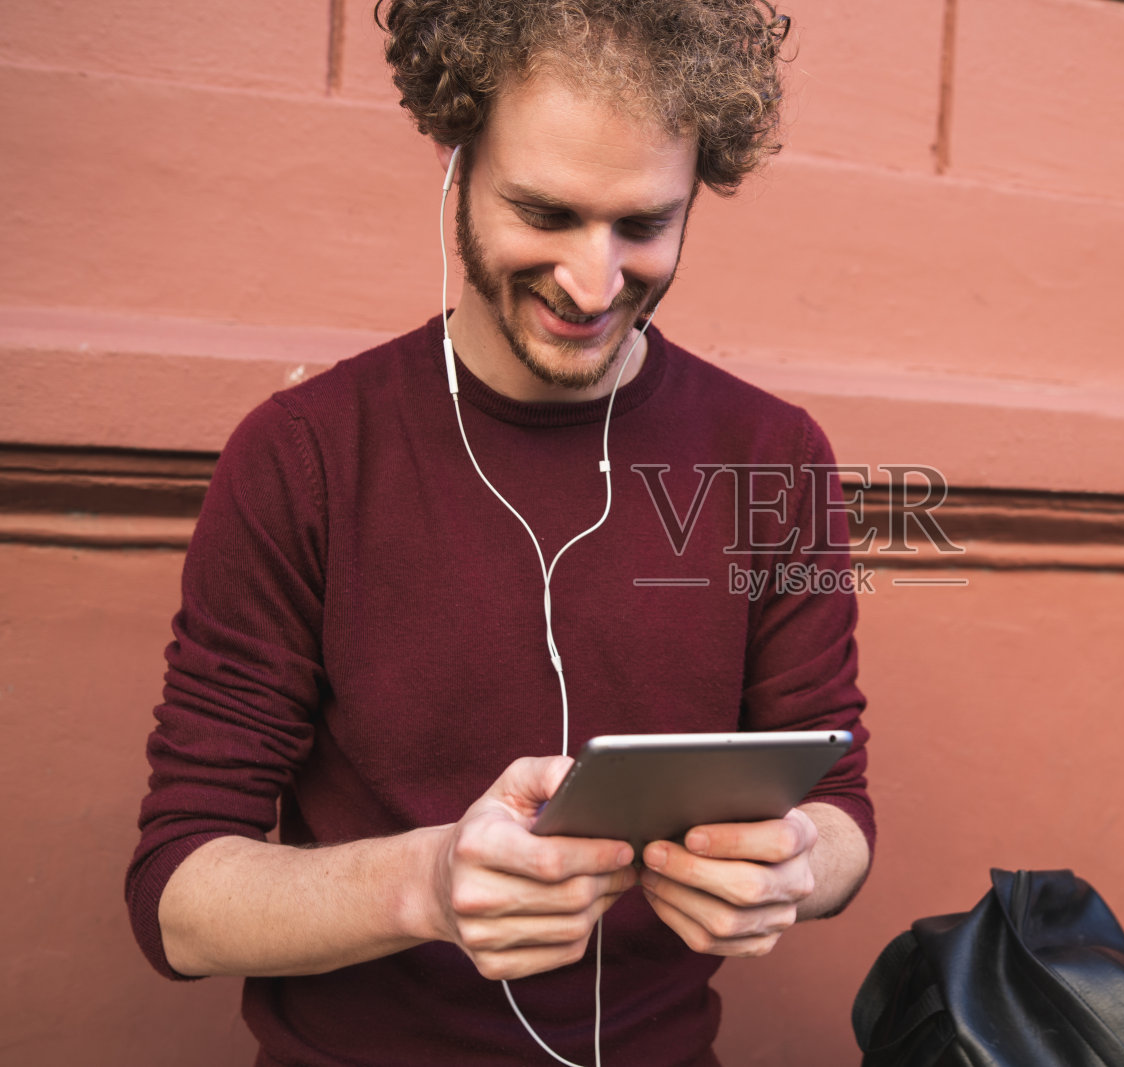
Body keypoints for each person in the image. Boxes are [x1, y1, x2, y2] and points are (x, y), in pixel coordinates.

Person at [124, 2, 873, 1064]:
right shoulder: (304, 454)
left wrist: (794, 862)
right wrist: (422, 884)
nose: (592, 280)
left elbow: (840, 809)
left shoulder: (777, 456)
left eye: (644, 225)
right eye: (545, 212)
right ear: (456, 157)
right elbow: (178, 899)